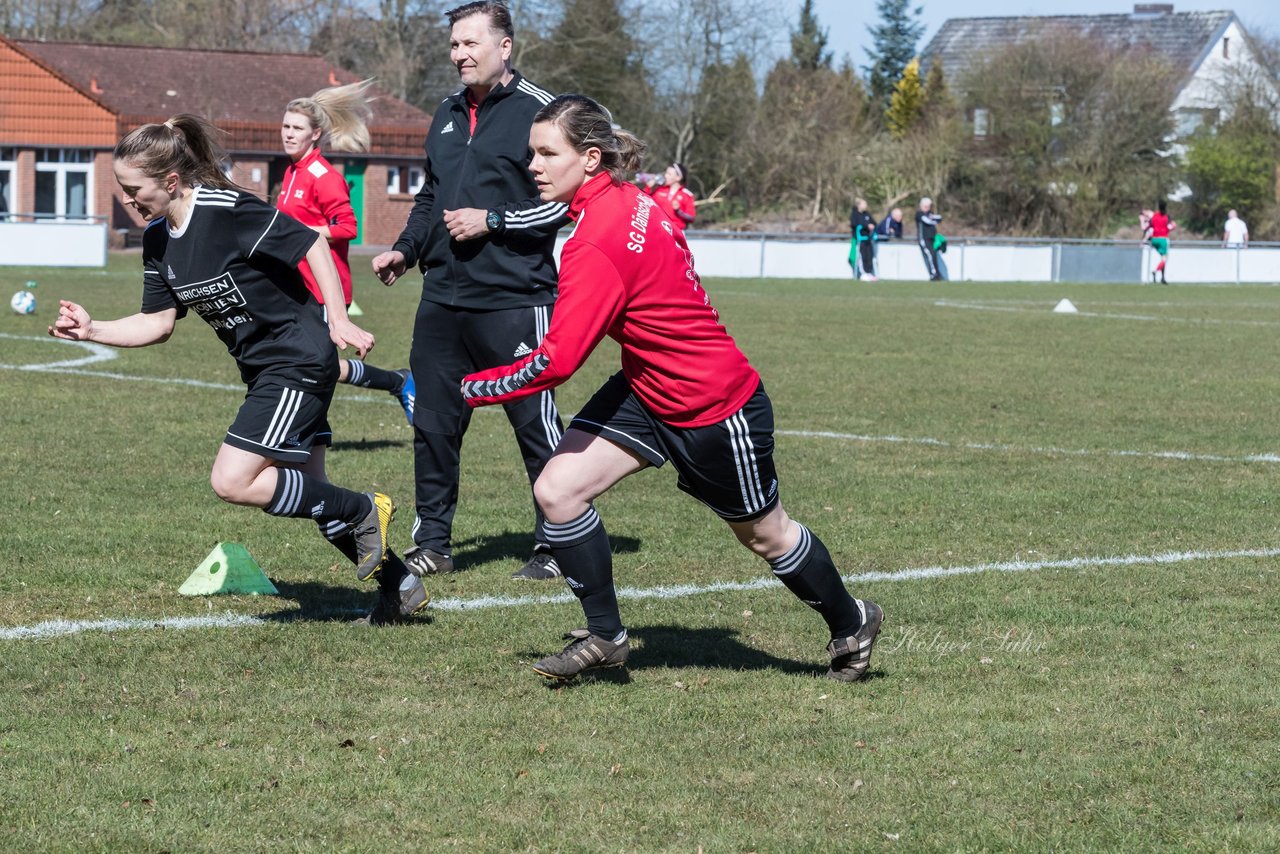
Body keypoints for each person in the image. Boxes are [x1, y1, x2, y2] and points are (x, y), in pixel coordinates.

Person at [459, 94, 884, 683]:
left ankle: (851, 620)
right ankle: (606, 637)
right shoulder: (630, 200)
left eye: (545, 152)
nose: (532, 165)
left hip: (712, 405)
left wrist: (467, 390)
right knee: (557, 489)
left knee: (765, 535)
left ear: (588, 159)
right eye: (532, 151)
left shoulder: (596, 240)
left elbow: (556, 362)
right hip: (647, 387)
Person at [47, 114, 421, 618]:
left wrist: (336, 319)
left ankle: (363, 508)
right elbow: (157, 323)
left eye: (133, 189)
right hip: (267, 371)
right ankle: (399, 585)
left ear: (171, 181)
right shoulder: (158, 240)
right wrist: (93, 330)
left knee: (233, 480)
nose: (127, 200)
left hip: (298, 359)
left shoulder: (225, 210)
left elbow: (311, 243)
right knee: (312, 493)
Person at [371, 1, 568, 581]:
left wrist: (494, 221)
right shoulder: (446, 112)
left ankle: (555, 545)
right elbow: (431, 196)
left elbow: (559, 203)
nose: (459, 55)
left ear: (504, 47)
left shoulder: (542, 114)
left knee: (533, 424)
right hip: (442, 299)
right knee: (432, 423)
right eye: (453, 45)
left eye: (470, 43)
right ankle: (433, 543)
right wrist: (406, 249)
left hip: (515, 299)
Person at [278, 80, 415, 427]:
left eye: (297, 128)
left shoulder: (323, 177)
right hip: (297, 287)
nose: (288, 134)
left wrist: (299, 234)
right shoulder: (292, 172)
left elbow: (347, 227)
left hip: (326, 289)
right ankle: (396, 382)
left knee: (312, 365)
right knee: (303, 361)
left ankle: (395, 383)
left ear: (315, 134)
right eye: (285, 126)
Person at [641, 162, 696, 233]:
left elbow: (691, 218)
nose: (665, 176)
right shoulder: (658, 190)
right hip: (656, 230)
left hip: (677, 233)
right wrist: (648, 188)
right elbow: (642, 202)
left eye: (669, 174)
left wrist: (678, 211)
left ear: (678, 178)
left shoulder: (687, 195)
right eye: (666, 173)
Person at [1146, 200, 1175, 284]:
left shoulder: (1154, 216)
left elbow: (1150, 225)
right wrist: (1173, 226)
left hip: (1154, 239)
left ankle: (1162, 278)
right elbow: (1170, 226)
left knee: (1162, 259)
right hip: (1163, 239)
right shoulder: (1166, 217)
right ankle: (1155, 271)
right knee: (1164, 259)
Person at [848, 197, 877, 281]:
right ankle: (862, 273)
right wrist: (866, 226)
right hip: (859, 240)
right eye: (864, 204)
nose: (866, 206)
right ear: (859, 205)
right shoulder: (854, 214)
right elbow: (855, 224)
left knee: (869, 256)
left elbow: (874, 223)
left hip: (868, 239)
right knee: (861, 256)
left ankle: (869, 272)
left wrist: (872, 226)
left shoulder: (867, 214)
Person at [916, 197, 944, 280]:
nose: (927, 208)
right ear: (921, 206)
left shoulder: (930, 213)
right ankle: (934, 274)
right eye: (926, 206)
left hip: (932, 239)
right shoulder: (919, 214)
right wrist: (934, 220)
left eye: (929, 206)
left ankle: (936, 274)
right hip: (924, 239)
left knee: (934, 255)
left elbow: (939, 217)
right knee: (930, 255)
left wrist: (933, 218)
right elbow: (927, 221)